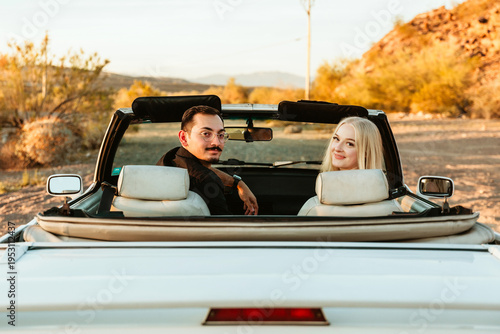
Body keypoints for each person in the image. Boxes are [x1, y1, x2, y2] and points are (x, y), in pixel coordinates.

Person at [156, 105, 258, 215]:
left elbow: (198, 169)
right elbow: (226, 229)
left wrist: (238, 183)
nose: (217, 143)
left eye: (221, 135)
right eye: (206, 134)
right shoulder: (207, 182)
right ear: (183, 138)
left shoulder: (172, 157)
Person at [320, 116, 384, 172]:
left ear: (366, 152)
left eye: (349, 144)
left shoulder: (369, 185)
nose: (337, 148)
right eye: (337, 139)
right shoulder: (326, 180)